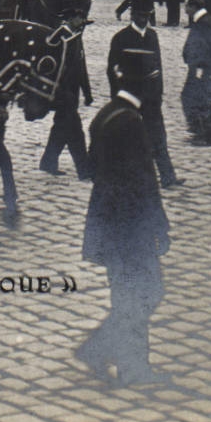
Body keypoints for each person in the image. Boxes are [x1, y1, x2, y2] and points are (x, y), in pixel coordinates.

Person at [77, 73, 174, 387]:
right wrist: (160, 226)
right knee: (146, 291)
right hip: (132, 226)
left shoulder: (105, 115)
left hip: (107, 223)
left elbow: (90, 167)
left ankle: (105, 353)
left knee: (127, 293)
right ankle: (128, 366)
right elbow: (145, 182)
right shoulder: (132, 123)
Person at [107, 0, 181, 189]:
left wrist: (158, 94)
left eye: (146, 16)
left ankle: (168, 177)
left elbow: (158, 67)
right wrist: (118, 98)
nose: (143, 20)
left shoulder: (152, 36)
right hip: (129, 98)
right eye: (140, 15)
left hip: (150, 98)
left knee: (158, 138)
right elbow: (112, 70)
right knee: (126, 139)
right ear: (132, 15)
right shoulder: (120, 38)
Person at [39, 5, 94, 179]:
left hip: (73, 93)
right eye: (79, 17)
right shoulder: (59, 37)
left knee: (61, 129)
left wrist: (87, 91)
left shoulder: (76, 37)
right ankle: (84, 170)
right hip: (62, 94)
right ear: (70, 18)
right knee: (76, 132)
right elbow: (50, 66)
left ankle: (48, 162)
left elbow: (81, 67)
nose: (82, 21)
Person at [180, 0, 211, 146]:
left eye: (186, 6)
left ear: (193, 7)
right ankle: (203, 133)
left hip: (201, 67)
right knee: (197, 99)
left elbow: (206, 47)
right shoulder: (202, 21)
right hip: (198, 66)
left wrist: (200, 67)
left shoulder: (205, 23)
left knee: (196, 99)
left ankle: (202, 134)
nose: (185, 10)